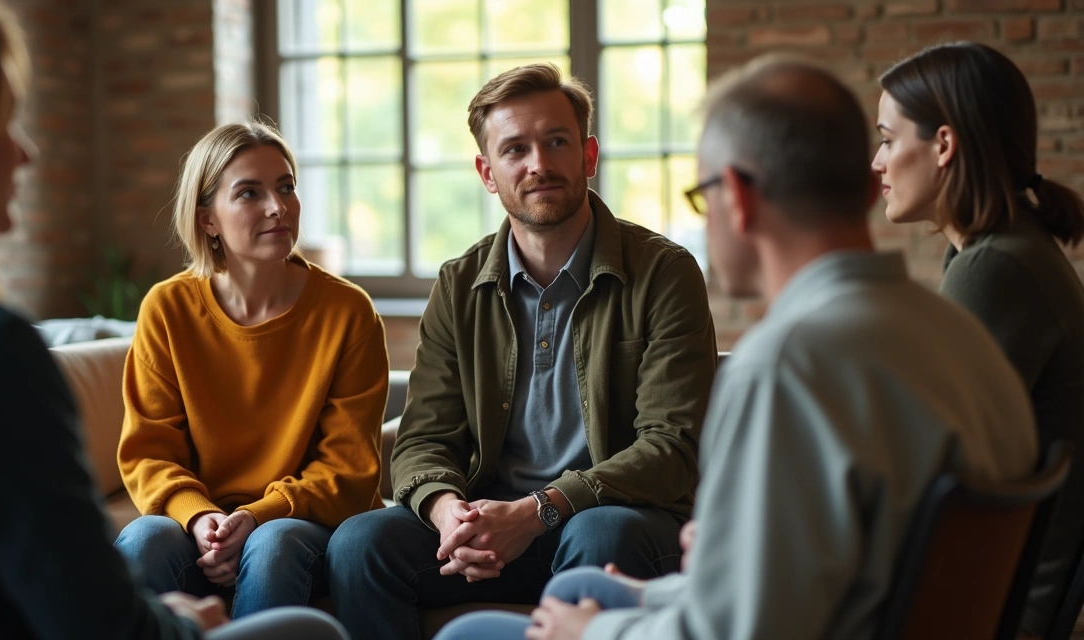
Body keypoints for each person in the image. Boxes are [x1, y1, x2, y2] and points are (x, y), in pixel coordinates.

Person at [434, 53, 1039, 640]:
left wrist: (598, 631)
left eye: (702, 196)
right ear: (863, 188)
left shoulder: (784, 364)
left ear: (738, 199)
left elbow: (743, 627)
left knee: (470, 634)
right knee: (579, 587)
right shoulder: (960, 333)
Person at [0, 1, 348, 638]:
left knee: (273, 546)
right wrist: (183, 620)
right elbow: (93, 619)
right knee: (313, 632)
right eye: (2, 123)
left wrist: (250, 524)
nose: (26, 153)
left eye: (286, 186)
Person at [326, 63, 718, 640]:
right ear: (488, 172)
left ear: (588, 155)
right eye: (515, 149)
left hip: (611, 520)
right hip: (490, 525)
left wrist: (539, 510)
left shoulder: (664, 272)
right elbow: (423, 438)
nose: (539, 164)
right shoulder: (458, 284)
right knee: (360, 542)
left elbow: (671, 446)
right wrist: (449, 514)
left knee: (601, 533)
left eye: (556, 142)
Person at [114, 120, 390, 617]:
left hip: (302, 524)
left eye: (286, 187)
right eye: (250, 193)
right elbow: (148, 452)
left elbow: (348, 469)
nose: (278, 206)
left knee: (272, 544)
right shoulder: (167, 308)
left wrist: (257, 515)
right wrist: (199, 517)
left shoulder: (348, 311)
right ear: (207, 220)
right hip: (204, 525)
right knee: (142, 540)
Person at [874, 42, 1084, 638]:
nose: (877, 163)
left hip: (987, 605)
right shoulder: (1002, 249)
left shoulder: (998, 267)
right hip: (984, 586)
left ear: (943, 145)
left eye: (888, 140)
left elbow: (921, 462)